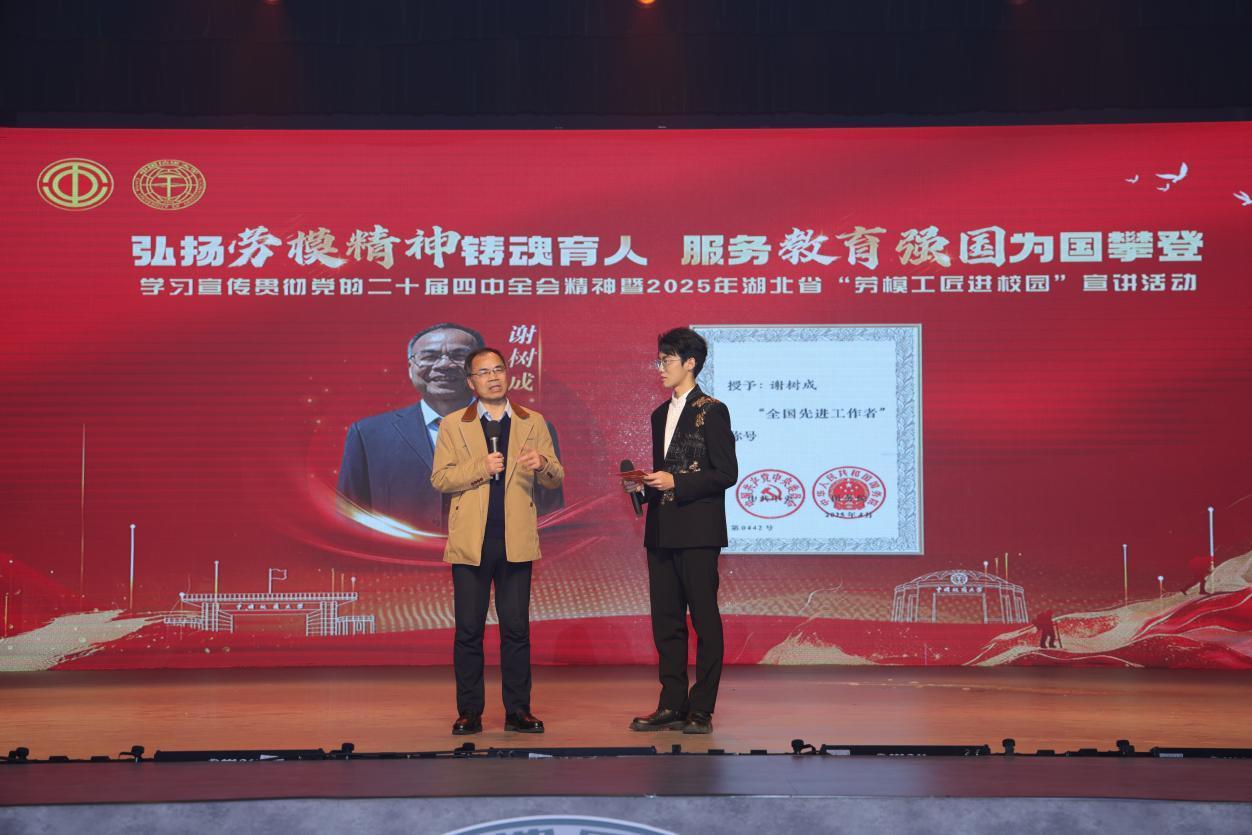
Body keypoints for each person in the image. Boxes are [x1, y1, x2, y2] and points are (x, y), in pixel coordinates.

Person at [431, 346, 564, 735]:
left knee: (516, 629)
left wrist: (543, 465)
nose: (493, 377)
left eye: (498, 370)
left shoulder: (532, 421)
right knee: (468, 630)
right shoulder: (453, 424)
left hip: (515, 540)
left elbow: (556, 477)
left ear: (508, 375)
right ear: (471, 382)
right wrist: (480, 467)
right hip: (471, 543)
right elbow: (441, 479)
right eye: (484, 372)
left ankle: (518, 711)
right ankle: (469, 712)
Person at [337, 322, 563, 533]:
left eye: (459, 356)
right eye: (429, 357)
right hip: (401, 561)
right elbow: (350, 521)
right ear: (410, 368)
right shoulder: (368, 435)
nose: (444, 365)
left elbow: (550, 520)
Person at [627, 327, 737, 735]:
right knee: (666, 621)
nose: (660, 368)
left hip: (699, 531)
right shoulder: (659, 414)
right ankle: (672, 703)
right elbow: (666, 472)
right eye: (659, 360)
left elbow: (726, 473)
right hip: (662, 530)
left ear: (690, 363)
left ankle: (702, 708)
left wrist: (677, 482)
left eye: (667, 360)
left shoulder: (713, 410)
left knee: (704, 620)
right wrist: (644, 487)